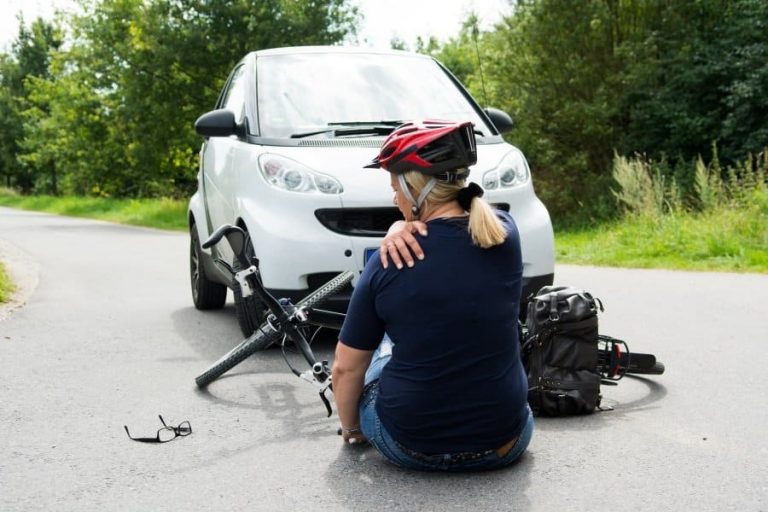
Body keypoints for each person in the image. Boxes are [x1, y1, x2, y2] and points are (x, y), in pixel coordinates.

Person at [331, 120, 533, 471]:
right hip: (507, 442)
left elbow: (345, 369)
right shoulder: (505, 235)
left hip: (409, 446)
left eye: (395, 187)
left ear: (414, 189)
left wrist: (351, 428)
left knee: (384, 348)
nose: (394, 198)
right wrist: (399, 225)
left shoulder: (387, 262)